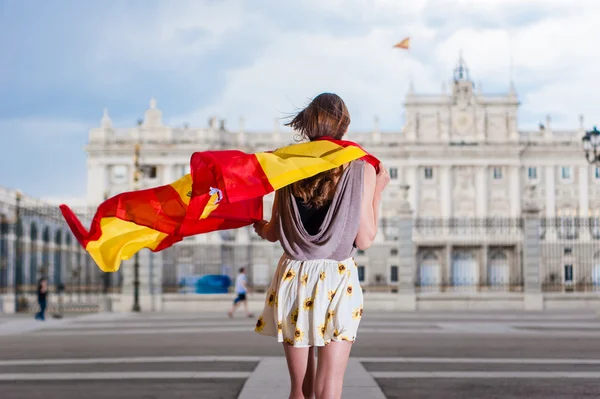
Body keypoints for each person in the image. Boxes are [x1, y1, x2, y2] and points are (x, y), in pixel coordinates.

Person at [252, 93, 389, 399]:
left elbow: (274, 232)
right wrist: (377, 193)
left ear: (309, 123)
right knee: (330, 385)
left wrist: (257, 226)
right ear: (344, 125)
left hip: (294, 277)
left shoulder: (286, 165)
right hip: (337, 278)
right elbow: (365, 239)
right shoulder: (361, 168)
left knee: (300, 389)